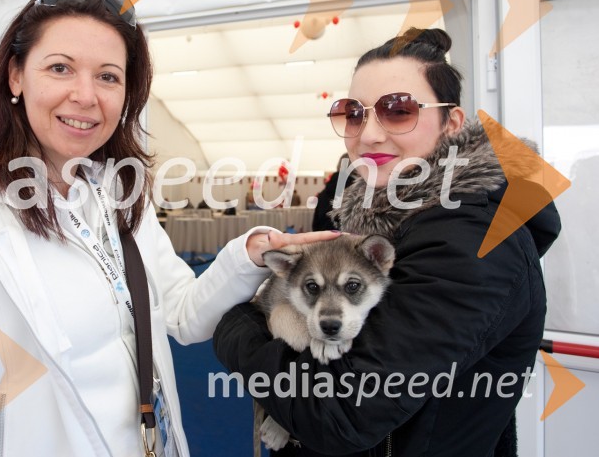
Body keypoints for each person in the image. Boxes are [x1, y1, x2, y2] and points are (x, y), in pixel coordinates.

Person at [0, 0, 338, 457]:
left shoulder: (120, 197)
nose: (86, 96)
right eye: (60, 68)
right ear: (16, 76)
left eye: (108, 77)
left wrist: (246, 256)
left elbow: (182, 314)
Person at [213, 28, 561, 456]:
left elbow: (338, 413)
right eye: (353, 113)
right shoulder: (392, 219)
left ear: (452, 123)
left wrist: (235, 326)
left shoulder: (473, 241)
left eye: (398, 110)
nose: (369, 134)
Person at [311, 153, 355, 231]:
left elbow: (316, 225)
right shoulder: (360, 191)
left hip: (324, 237)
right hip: (351, 238)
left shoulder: (323, 194)